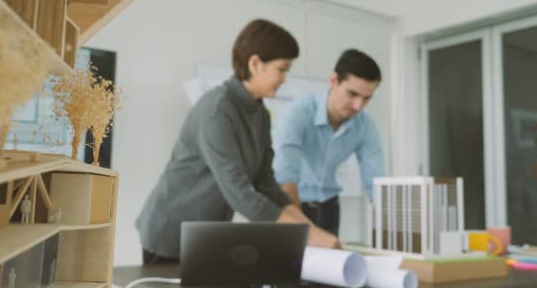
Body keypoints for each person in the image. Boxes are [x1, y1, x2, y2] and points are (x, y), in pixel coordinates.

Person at [136, 19, 340, 264]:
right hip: (169, 232)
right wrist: (309, 236)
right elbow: (240, 193)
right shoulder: (217, 111)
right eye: (282, 69)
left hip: (206, 236)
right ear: (255, 64)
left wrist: (311, 229)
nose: (285, 78)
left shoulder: (261, 113)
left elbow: (266, 185)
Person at [273, 49, 386, 235]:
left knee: (330, 263)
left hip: (330, 208)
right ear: (334, 81)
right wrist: (302, 231)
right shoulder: (297, 113)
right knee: (291, 263)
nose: (358, 106)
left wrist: (392, 231)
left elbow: (376, 183)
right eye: (352, 94)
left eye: (366, 98)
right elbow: (286, 179)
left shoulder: (365, 125)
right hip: (291, 204)